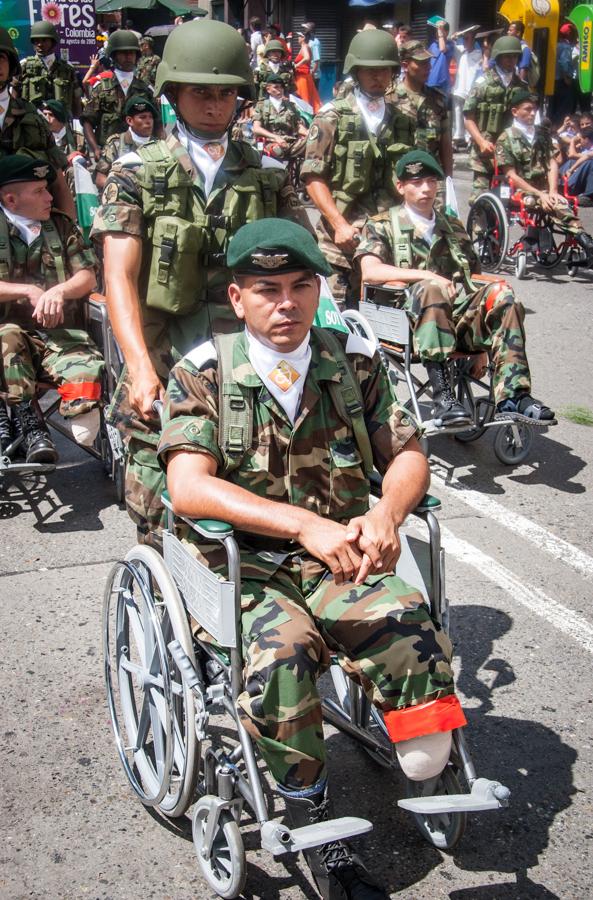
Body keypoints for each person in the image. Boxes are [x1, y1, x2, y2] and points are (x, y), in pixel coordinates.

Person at [158, 216, 467, 900]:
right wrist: (301, 525)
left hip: (343, 558)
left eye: (301, 286)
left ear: (318, 290)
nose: (286, 304)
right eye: (266, 289)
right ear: (237, 299)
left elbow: (409, 453)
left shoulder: (352, 363)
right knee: (282, 658)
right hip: (244, 567)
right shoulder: (203, 372)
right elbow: (187, 485)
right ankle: (312, 809)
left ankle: (426, 758)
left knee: (406, 623)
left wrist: (386, 514)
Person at [90, 19, 309, 544]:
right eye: (200, 92)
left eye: (226, 93)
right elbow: (118, 275)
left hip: (246, 351)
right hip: (165, 348)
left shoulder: (267, 173)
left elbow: (304, 269)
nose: (214, 104)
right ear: (172, 93)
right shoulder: (136, 172)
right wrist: (139, 367)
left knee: (267, 479)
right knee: (160, 500)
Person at [355, 150, 556, 427]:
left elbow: (474, 279)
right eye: (415, 182)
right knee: (430, 289)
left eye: (430, 180)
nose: (425, 188)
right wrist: (427, 276)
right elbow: (371, 272)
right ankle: (443, 397)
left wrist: (483, 347)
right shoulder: (382, 225)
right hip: (403, 324)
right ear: (400, 186)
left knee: (501, 292)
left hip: (453, 321)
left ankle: (513, 397)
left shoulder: (452, 226)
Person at [0, 156, 103, 462]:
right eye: (39, 191)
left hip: (61, 337)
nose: (49, 197)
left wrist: (59, 290)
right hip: (9, 345)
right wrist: (28, 291)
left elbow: (88, 275)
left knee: (86, 374)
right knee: (7, 338)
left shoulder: (60, 224)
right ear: (10, 199)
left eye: (48, 189)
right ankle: (29, 426)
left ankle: (74, 413)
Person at [302, 29, 413, 307]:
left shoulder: (402, 120)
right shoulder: (331, 116)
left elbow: (413, 176)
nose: (378, 77)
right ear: (356, 71)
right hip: (340, 241)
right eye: (369, 70)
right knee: (333, 324)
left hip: (387, 241)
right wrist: (339, 225)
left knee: (390, 327)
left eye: (384, 70)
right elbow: (313, 176)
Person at [495, 90, 593, 260]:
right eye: (527, 109)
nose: (532, 113)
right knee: (552, 205)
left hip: (545, 190)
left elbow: (552, 163)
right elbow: (511, 175)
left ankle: (583, 241)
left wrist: (553, 191)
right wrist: (541, 194)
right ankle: (585, 240)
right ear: (515, 112)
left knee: (560, 201)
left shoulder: (542, 135)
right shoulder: (505, 138)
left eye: (534, 109)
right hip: (520, 191)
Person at [0, 28, 75, 219]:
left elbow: (58, 183)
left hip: (32, 230)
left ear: (11, 65)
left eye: (0, 57)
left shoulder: (31, 117)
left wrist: (70, 233)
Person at [463, 35, 524, 202]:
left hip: (510, 152)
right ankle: (479, 227)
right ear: (498, 57)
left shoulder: (521, 86)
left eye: (514, 56)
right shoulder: (483, 83)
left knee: (507, 201)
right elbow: (468, 117)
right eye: (507, 56)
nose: (511, 60)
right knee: (481, 198)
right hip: (485, 151)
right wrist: (481, 141)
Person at [81, 30, 154, 161]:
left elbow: (158, 123)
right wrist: (95, 149)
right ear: (114, 56)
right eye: (123, 53)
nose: (128, 57)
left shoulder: (145, 89)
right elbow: (87, 121)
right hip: (109, 154)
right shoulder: (101, 88)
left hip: (140, 154)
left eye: (131, 53)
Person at [390, 40, 453, 177]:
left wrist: (448, 179)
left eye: (428, 62)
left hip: (431, 175)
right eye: (422, 63)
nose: (428, 67)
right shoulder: (389, 99)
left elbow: (445, 144)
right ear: (405, 65)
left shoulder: (437, 100)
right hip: (400, 176)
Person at [15, 21, 83, 118]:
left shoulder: (67, 68)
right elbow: (14, 96)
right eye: (36, 41)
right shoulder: (24, 66)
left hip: (60, 124)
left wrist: (78, 119)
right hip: (32, 124)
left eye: (44, 40)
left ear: (53, 41)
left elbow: (76, 98)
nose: (40, 44)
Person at [95, 94, 157, 192]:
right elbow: (100, 178)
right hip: (123, 200)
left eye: (150, 117)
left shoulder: (158, 145)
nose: (148, 121)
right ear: (130, 121)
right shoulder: (116, 144)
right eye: (143, 117)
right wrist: (121, 190)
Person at [252, 74, 308, 160]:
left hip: (290, 142)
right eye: (276, 87)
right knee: (277, 150)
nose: (280, 90)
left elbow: (298, 126)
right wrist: (275, 137)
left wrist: (309, 134)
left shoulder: (291, 106)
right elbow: (256, 129)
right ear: (268, 89)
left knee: (312, 143)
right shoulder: (261, 106)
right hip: (270, 143)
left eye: (281, 87)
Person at [451, 26, 482, 148]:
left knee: (469, 113)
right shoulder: (462, 51)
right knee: (457, 111)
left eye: (467, 39)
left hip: (471, 89)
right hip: (459, 87)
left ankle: (470, 137)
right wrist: (455, 37)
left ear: (473, 40)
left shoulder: (478, 54)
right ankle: (458, 136)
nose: (465, 41)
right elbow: (451, 44)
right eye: (464, 39)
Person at [562, 125, 593, 205]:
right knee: (572, 161)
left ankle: (588, 196)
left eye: (581, 139)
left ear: (586, 140)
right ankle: (561, 184)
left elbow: (572, 154)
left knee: (589, 162)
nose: (580, 141)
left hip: (583, 182)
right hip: (580, 179)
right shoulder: (585, 149)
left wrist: (572, 141)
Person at [552, 24, 577, 124]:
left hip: (554, 80)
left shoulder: (556, 44)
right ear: (569, 34)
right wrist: (567, 77)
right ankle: (560, 128)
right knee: (564, 108)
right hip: (562, 81)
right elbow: (564, 62)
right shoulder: (566, 47)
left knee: (555, 106)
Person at [426, 18, 455, 97]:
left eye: (440, 30)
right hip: (429, 82)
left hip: (442, 84)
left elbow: (442, 49)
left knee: (442, 108)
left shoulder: (450, 44)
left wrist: (440, 34)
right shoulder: (433, 45)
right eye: (437, 30)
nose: (437, 32)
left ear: (447, 32)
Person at [293, 32, 321, 112]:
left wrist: (296, 65)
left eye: (299, 36)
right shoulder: (304, 47)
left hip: (303, 77)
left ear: (303, 38)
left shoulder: (305, 46)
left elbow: (307, 58)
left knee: (303, 98)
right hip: (303, 76)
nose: (298, 38)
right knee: (305, 98)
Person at [507, 20, 533, 85]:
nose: (507, 32)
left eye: (510, 30)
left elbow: (523, 69)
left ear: (518, 33)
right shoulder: (512, 45)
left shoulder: (525, 49)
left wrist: (519, 87)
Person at [303, 22, 321, 89]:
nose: (304, 30)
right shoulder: (309, 41)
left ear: (310, 30)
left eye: (305, 28)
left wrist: (312, 72)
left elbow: (317, 60)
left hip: (313, 75)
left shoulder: (314, 42)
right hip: (308, 73)